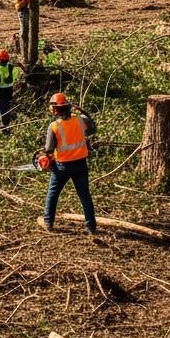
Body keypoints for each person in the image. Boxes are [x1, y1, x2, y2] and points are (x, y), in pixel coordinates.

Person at [38, 92, 98, 235]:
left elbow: (49, 149)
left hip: (62, 167)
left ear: (54, 109)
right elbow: (93, 127)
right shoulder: (80, 120)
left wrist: (44, 158)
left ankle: (48, 222)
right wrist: (82, 111)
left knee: (53, 194)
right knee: (84, 195)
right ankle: (91, 227)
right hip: (80, 164)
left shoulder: (54, 126)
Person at [0, 48, 22, 133]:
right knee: (5, 112)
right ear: (7, 59)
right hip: (8, 94)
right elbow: (18, 69)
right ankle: (6, 129)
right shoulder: (11, 67)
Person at [13, 0, 37, 66]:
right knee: (24, 32)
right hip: (22, 9)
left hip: (24, 8)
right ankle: (24, 55)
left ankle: (25, 53)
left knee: (26, 30)